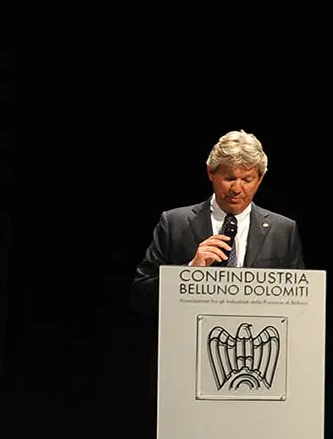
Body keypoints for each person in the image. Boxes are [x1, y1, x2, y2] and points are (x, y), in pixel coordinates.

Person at [131, 129, 307, 313]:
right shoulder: (174, 223)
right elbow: (140, 295)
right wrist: (190, 271)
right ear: (211, 173)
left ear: (260, 179)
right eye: (229, 178)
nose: (237, 189)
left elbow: (298, 304)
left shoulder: (283, 230)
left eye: (247, 179)